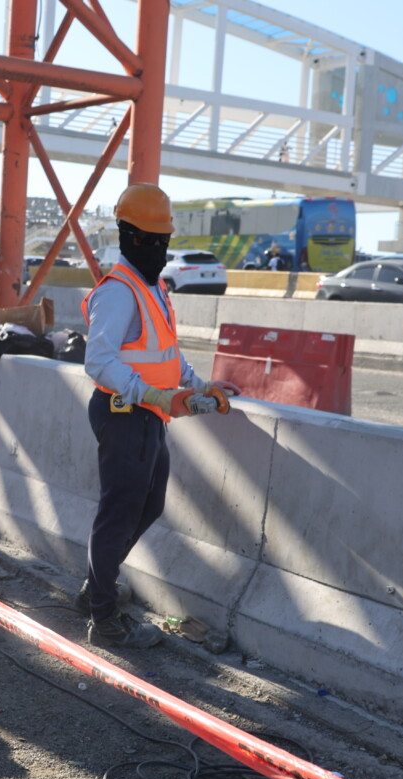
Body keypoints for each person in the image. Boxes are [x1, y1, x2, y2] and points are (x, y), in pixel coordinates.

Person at [79, 182, 241, 649]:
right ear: (132, 238)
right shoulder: (119, 292)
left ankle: (97, 589)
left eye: (164, 241)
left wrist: (198, 385)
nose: (161, 249)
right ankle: (103, 618)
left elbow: (167, 353)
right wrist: (150, 395)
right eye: (153, 240)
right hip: (124, 412)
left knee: (148, 506)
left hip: (149, 413)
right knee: (119, 512)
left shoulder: (153, 287)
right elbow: (99, 362)